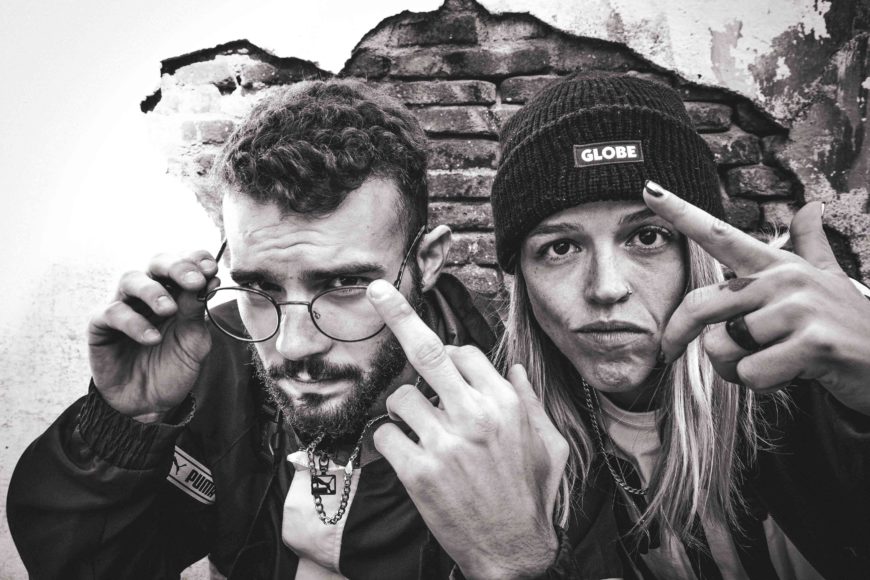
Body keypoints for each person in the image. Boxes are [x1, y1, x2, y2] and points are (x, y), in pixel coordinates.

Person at [7, 80, 568, 580]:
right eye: (260, 287)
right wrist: (124, 429)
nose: (293, 344)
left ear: (425, 261)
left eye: (345, 283)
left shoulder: (528, 405)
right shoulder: (210, 360)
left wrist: (514, 564)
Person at [489, 72, 870, 579]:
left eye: (648, 237)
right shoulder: (503, 443)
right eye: (561, 247)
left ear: (700, 255)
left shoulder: (813, 378)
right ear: (522, 280)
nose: (607, 287)